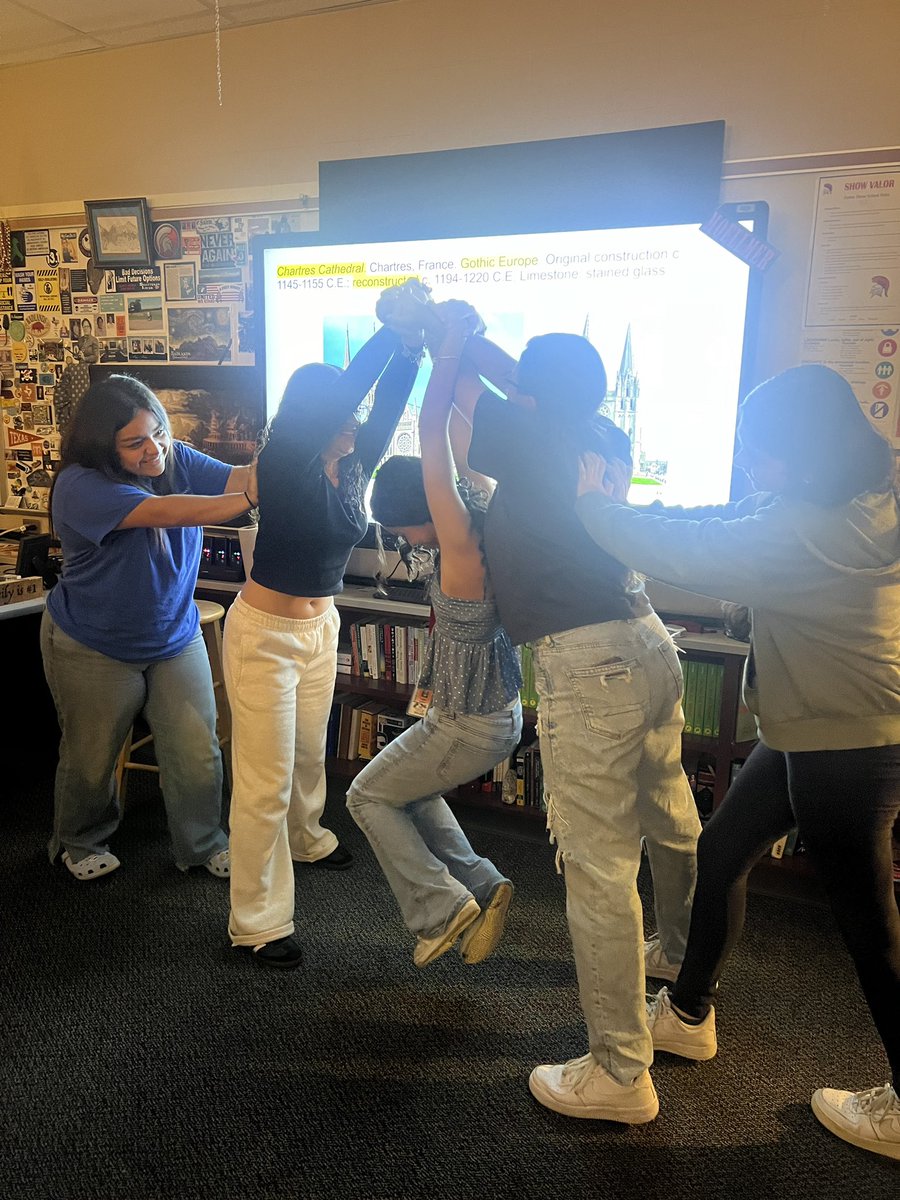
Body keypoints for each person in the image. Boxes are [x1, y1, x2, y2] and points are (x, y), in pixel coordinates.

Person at [574, 363, 900, 1160]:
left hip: (850, 741)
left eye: (767, 452)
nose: (753, 466)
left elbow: (686, 548)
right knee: (720, 853)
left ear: (813, 452)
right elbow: (725, 514)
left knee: (866, 928)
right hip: (810, 728)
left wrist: (590, 503)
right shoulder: (852, 495)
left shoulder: (809, 530)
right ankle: (687, 1016)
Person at [464, 331, 701, 1124]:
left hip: (588, 661)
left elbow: (465, 392)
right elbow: (522, 386)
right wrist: (491, 349)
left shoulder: (525, 436)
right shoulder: (600, 431)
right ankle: (678, 969)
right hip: (646, 640)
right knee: (670, 820)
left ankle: (620, 1073)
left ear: (530, 394)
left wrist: (451, 341)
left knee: (599, 868)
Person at [223, 289, 427, 970]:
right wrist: (383, 334)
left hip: (319, 628)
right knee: (263, 781)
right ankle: (256, 921)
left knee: (309, 755)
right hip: (263, 637)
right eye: (343, 417)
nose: (356, 425)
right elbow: (351, 396)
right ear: (316, 418)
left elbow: (391, 398)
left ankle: (307, 838)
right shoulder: (284, 460)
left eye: (357, 419)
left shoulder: (354, 457)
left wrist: (412, 345)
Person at [346, 304, 523, 968]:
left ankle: (441, 909)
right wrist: (454, 341)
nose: (405, 543)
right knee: (406, 793)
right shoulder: (482, 499)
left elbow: (430, 438)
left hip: (466, 719)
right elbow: (455, 425)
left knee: (366, 796)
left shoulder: (458, 542)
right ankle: (481, 884)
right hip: (489, 709)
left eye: (406, 530)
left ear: (427, 511)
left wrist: (445, 353)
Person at [42, 373, 257, 882]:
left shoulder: (173, 454)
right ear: (103, 446)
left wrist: (290, 450)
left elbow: (236, 479)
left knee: (197, 750)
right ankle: (78, 842)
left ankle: (203, 844)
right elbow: (179, 510)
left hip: (173, 637)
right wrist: (251, 495)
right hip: (94, 644)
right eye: (134, 443)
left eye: (157, 431)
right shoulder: (81, 486)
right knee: (91, 757)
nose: (154, 450)